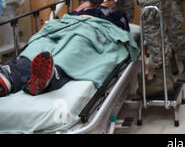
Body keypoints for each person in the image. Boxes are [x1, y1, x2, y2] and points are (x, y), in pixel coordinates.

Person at [0, 7, 137, 97]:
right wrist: (82, 9)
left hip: (93, 28)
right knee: (39, 43)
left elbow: (121, 28)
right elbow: (64, 18)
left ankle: (51, 76)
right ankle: (9, 76)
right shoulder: (79, 9)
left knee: (76, 46)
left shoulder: (117, 13)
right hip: (64, 25)